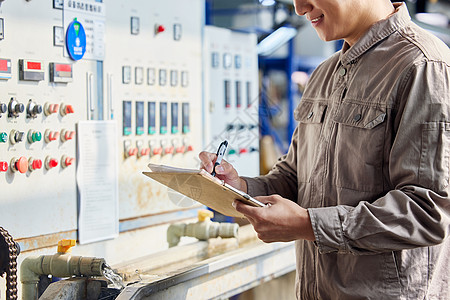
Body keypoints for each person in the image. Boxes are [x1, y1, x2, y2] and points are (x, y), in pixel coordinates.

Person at [199, 0, 450, 299]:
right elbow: (294, 177)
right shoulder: (324, 75)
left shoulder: (423, 67)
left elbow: (426, 212)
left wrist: (310, 225)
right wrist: (240, 187)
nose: (299, 8)